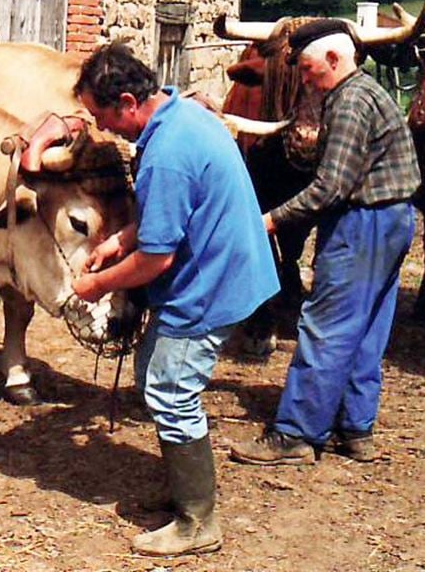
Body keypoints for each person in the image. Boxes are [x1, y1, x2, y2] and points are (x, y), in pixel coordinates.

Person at [72, 41, 279, 557]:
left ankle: (197, 521)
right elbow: (172, 215)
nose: (103, 129)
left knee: (171, 389)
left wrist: (98, 285)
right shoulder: (183, 115)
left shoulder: (165, 153)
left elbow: (157, 261)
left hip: (209, 283)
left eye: (102, 117)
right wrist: (123, 239)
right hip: (223, 264)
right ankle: (183, 488)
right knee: (155, 372)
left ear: (126, 101)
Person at [229, 18, 420, 467]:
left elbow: (330, 187)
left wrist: (269, 222)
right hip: (393, 219)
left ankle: (296, 433)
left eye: (310, 68)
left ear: (335, 59)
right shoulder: (369, 92)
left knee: (325, 326)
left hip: (361, 223)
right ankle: (355, 427)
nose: (305, 78)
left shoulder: (349, 103)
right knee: (368, 326)